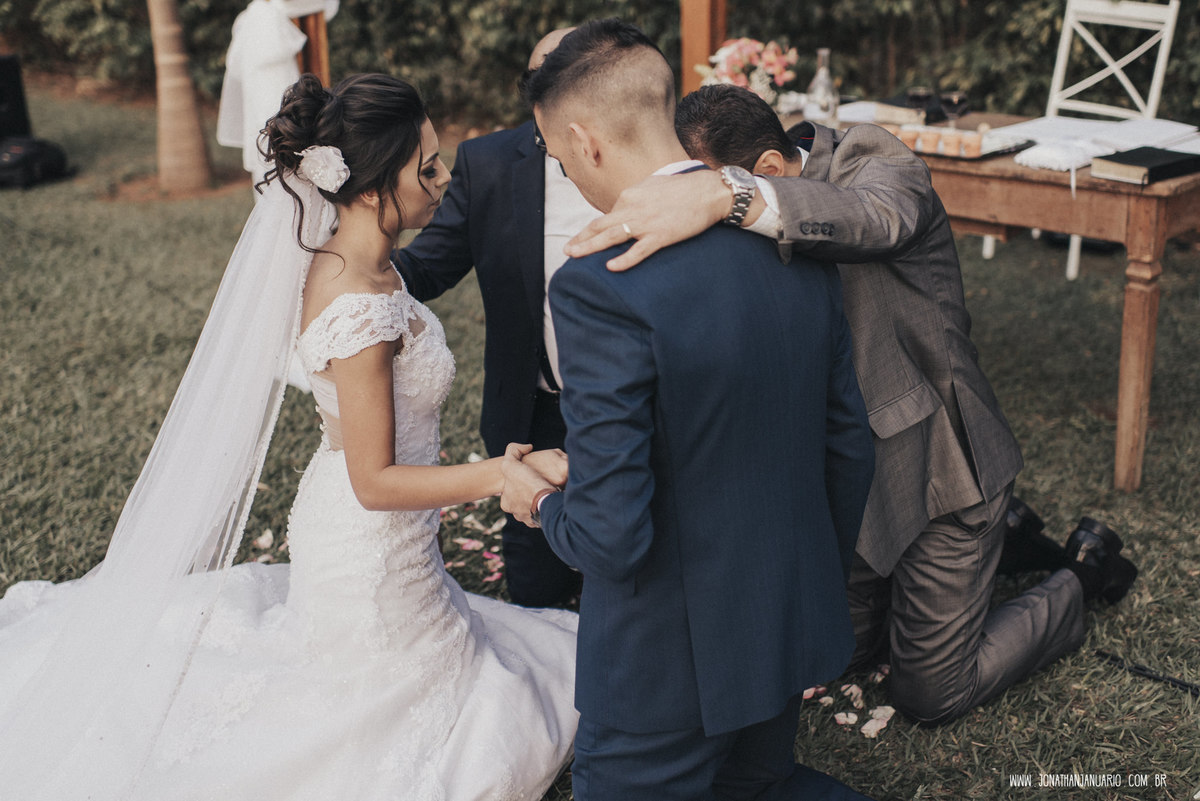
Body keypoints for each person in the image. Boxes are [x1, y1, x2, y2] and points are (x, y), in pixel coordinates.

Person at [0, 73, 578, 800]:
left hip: (376, 530)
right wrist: (499, 474)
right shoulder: (360, 306)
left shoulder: (356, 256)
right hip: (369, 537)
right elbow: (376, 481)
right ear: (369, 188)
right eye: (425, 167)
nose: (442, 180)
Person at [566, 81, 1138, 727]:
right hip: (855, 482)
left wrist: (726, 197)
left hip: (944, 472)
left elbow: (878, 217)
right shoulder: (733, 214)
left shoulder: (873, 158)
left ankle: (1081, 573)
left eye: (704, 191)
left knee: (930, 691)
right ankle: (1003, 548)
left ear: (768, 172)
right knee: (836, 654)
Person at [498, 20, 877, 800]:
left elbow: (612, 533)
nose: (567, 176)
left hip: (660, 672)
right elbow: (849, 448)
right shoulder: (790, 241)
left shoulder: (598, 281)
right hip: (781, 627)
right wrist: (803, 587)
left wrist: (538, 498)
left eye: (559, 157)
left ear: (585, 141)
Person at [392, 27, 595, 609]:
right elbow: (424, 270)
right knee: (536, 596)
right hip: (533, 418)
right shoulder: (488, 163)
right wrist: (339, 268)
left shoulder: (664, 159)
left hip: (647, 411)